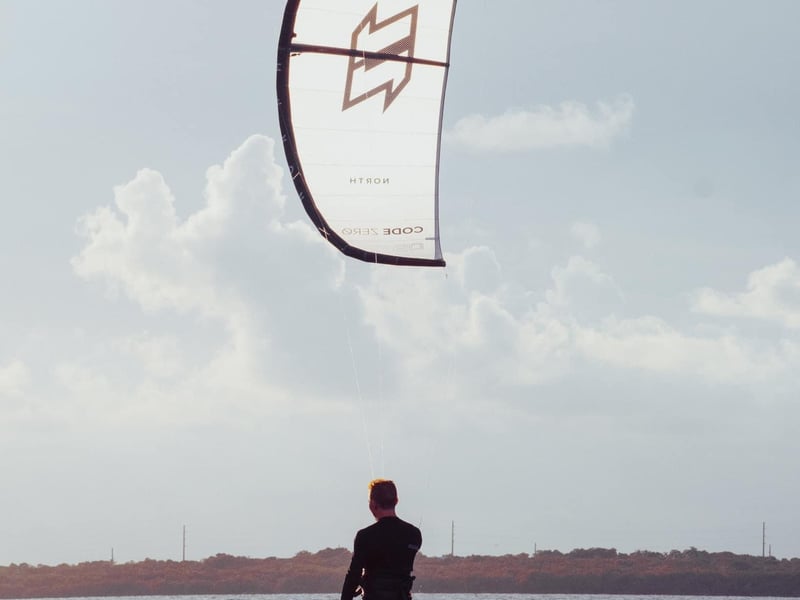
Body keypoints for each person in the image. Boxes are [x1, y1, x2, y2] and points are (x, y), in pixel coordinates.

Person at [340, 479, 422, 600]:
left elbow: (353, 576)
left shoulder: (365, 536)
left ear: (372, 504)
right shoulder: (414, 534)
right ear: (396, 501)